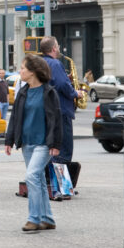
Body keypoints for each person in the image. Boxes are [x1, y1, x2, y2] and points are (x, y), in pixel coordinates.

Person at [4, 54, 62, 232]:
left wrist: (55, 144)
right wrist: (9, 139)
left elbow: (56, 120)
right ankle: (48, 219)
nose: (20, 71)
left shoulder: (49, 92)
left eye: (22, 68)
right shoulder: (23, 92)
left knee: (31, 177)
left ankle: (34, 219)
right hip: (27, 143)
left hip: (43, 144)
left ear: (33, 72)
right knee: (39, 181)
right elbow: (15, 118)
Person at [40, 36, 81, 165]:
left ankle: (50, 181)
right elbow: (62, 85)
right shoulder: (56, 63)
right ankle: (61, 182)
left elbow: (54, 82)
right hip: (61, 111)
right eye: (57, 46)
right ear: (53, 48)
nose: (58, 49)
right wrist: (76, 93)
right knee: (64, 151)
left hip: (47, 111)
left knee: (50, 150)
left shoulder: (41, 62)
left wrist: (65, 77)